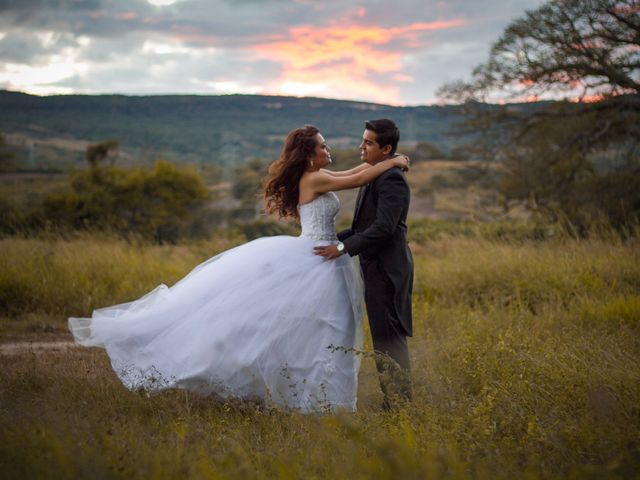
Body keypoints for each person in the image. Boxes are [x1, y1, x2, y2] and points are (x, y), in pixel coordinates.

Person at [68, 124, 409, 413]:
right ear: (309, 154)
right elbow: (358, 178)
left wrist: (389, 163)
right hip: (315, 257)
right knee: (312, 327)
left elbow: (356, 174)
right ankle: (306, 395)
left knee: (323, 329)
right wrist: (395, 161)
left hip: (324, 256)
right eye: (322, 145)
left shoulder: (318, 176)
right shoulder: (314, 179)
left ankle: (319, 398)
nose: (329, 148)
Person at [314, 119, 413, 410]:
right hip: (375, 268)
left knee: (390, 339)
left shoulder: (391, 178)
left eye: (368, 142)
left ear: (386, 149)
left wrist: (342, 248)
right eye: (363, 140)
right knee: (384, 338)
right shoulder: (375, 174)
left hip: (387, 271)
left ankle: (399, 407)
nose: (362, 146)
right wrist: (328, 241)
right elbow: (364, 228)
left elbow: (383, 228)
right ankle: (395, 404)